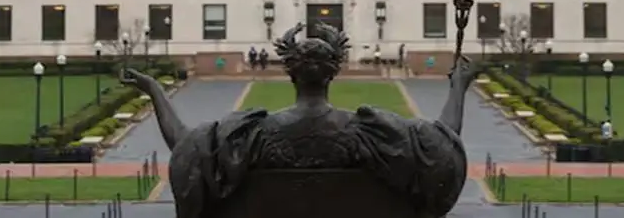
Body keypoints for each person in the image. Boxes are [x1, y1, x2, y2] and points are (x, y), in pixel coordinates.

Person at [124, 22, 470, 218]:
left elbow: (187, 153)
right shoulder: (375, 136)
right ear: (333, 73)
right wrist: (458, 88)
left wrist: (155, 91)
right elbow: (442, 155)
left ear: (290, 73)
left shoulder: (249, 136)